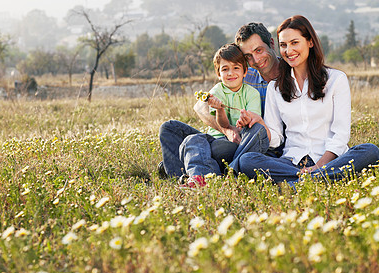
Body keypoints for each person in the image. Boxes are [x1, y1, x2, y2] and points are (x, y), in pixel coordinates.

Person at [235, 15, 379, 187]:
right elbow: (276, 139)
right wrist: (260, 123)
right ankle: (317, 180)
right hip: (291, 163)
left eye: (294, 43)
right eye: (283, 45)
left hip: (328, 160)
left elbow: (340, 135)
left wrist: (318, 167)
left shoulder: (336, 79)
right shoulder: (275, 87)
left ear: (310, 42)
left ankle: (303, 182)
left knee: (370, 151)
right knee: (247, 160)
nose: (288, 51)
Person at [159, 22, 280, 179]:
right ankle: (185, 177)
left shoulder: (291, 77)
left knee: (220, 147)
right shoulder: (241, 72)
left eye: (259, 50)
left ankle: (208, 171)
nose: (255, 60)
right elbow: (201, 107)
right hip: (225, 138)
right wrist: (227, 130)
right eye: (248, 56)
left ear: (271, 44)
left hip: (252, 144)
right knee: (170, 128)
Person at [177, 43, 268, 186]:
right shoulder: (216, 92)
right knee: (192, 140)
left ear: (245, 71)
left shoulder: (252, 94)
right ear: (219, 74)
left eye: (236, 68)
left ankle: (207, 173)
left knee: (216, 150)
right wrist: (219, 109)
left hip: (238, 144)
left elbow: (253, 125)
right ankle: (200, 178)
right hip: (217, 139)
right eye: (225, 69)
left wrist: (244, 121)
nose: (231, 73)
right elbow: (224, 125)